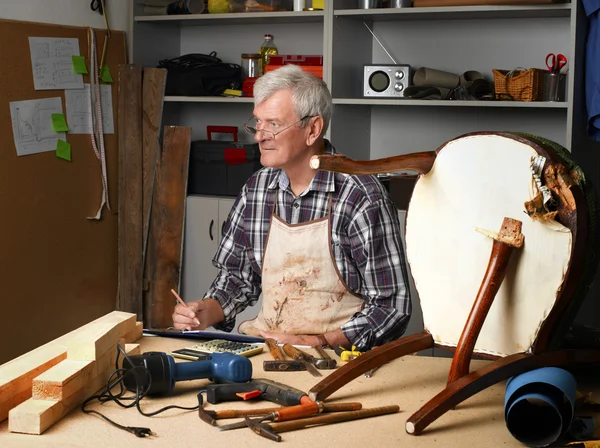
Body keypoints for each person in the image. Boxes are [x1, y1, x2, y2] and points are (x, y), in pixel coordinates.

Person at [172, 65, 411, 351]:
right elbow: (238, 278)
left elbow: (391, 307)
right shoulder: (256, 190)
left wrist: (316, 342)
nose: (259, 136)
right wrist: (204, 312)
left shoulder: (361, 197)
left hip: (337, 359)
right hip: (267, 346)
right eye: (258, 122)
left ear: (313, 129)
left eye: (273, 124)